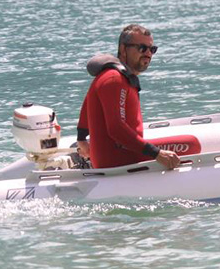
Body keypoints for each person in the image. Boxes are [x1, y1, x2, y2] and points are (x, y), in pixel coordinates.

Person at [76, 24, 180, 170]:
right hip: (119, 160)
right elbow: (116, 129)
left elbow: (87, 103)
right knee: (192, 143)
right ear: (124, 49)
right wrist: (156, 154)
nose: (148, 54)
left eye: (152, 49)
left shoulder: (114, 76)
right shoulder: (114, 79)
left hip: (121, 154)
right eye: (142, 48)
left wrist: (81, 138)